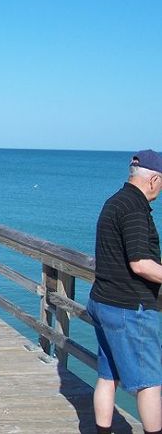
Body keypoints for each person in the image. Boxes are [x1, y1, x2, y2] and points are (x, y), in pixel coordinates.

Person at [87, 150, 162, 434]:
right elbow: (141, 263)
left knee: (108, 376)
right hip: (130, 308)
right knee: (150, 384)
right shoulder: (134, 208)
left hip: (103, 301)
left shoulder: (114, 202)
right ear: (154, 179)